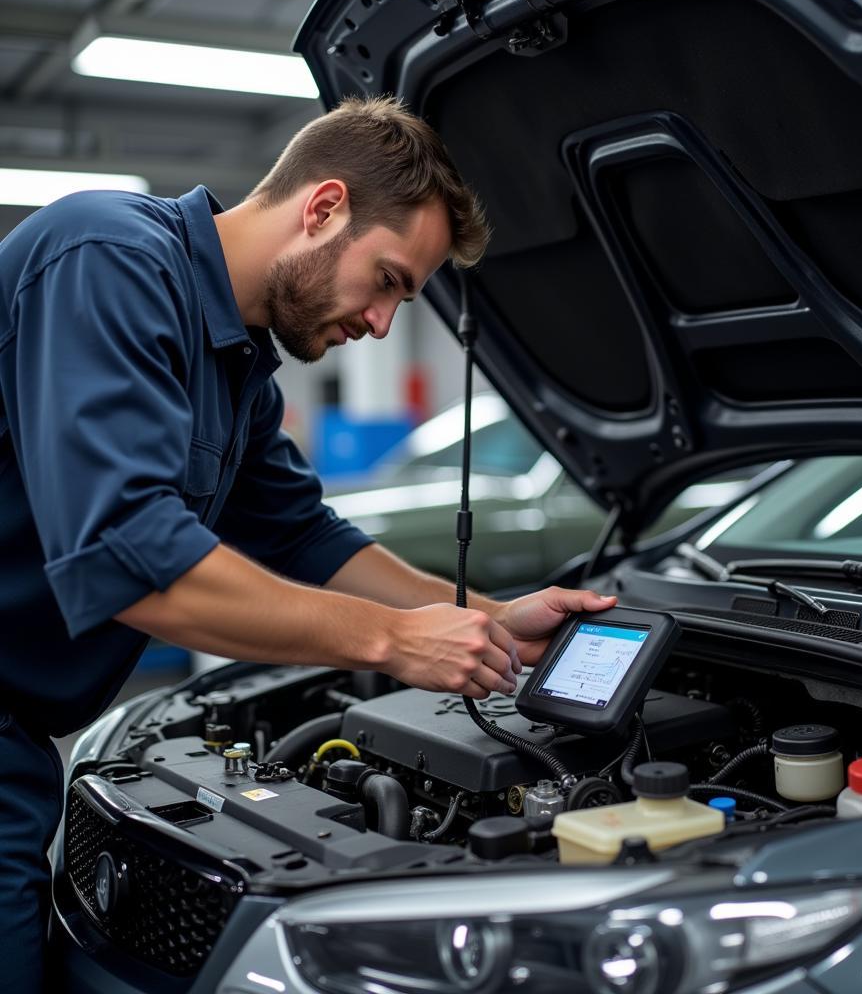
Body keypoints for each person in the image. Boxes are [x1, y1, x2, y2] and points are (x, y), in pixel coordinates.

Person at [0, 95, 616, 993]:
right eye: (392, 280)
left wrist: (487, 622)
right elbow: (125, 553)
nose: (380, 323)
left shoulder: (238, 363)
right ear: (324, 206)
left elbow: (303, 536)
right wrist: (394, 643)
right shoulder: (108, 257)